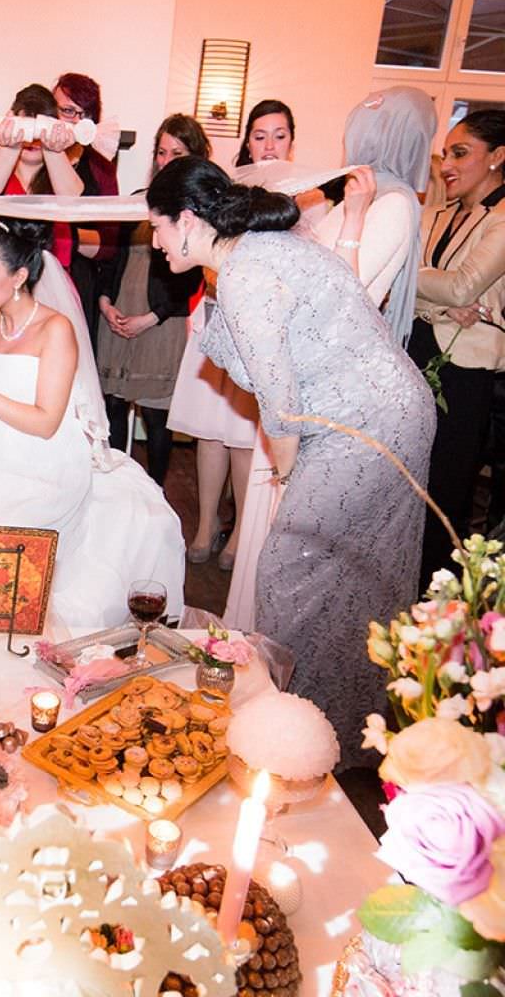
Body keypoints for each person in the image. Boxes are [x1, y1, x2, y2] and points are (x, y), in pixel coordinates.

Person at [147, 155, 435, 769]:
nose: (154, 240)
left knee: (289, 564)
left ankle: (290, 726)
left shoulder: (248, 272)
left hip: (367, 428)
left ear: (189, 220)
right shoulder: (254, 253)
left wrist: (285, 474)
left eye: (158, 226)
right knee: (355, 576)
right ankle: (349, 727)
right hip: (382, 414)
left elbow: (280, 408)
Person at [225, 85, 438, 630]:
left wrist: (352, 215)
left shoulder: (390, 205)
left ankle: (287, 642)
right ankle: (253, 634)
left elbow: (351, 296)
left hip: (333, 389)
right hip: (294, 371)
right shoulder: (349, 196)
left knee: (299, 534)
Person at [0, 220, 185, 630]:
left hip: (41, 464)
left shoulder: (55, 329)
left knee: (14, 577)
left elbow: (46, 421)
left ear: (18, 277)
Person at [168, 99, 297, 569]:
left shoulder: (307, 193)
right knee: (209, 430)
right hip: (215, 307)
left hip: (261, 320)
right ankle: (205, 525)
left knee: (244, 431)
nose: (268, 145)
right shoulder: (230, 184)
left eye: (278, 135)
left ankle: (243, 532)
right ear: (247, 140)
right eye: (260, 135)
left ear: (291, 139)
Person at [409, 109, 505, 590]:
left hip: (467, 371)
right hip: (418, 348)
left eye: (461, 152)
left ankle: (435, 597)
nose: (447, 163)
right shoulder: (437, 213)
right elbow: (408, 287)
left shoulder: (503, 219)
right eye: (445, 153)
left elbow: (464, 285)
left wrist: (427, 288)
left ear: (498, 157)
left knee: (446, 488)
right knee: (408, 479)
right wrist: (441, 305)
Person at [98, 114, 209, 484]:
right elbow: (112, 257)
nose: (165, 160)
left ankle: (155, 495)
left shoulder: (201, 211)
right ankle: (114, 488)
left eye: (176, 152)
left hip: (163, 322)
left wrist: (151, 317)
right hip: (118, 312)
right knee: (112, 405)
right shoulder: (134, 203)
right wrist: (104, 302)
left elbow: (193, 280)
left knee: (157, 417)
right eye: (161, 152)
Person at [0, 84, 88, 269]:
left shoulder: (63, 175)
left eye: (39, 132)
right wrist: (10, 143)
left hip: (55, 282)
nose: (32, 140)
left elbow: (75, 205)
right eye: (26, 129)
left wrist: (53, 149)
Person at [53, 72, 120, 350]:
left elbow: (109, 245)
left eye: (81, 113)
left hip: (79, 279)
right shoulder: (31, 154)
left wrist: (61, 235)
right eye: (65, 110)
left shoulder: (100, 165)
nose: (72, 121)